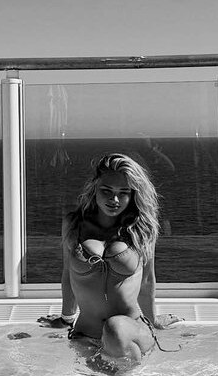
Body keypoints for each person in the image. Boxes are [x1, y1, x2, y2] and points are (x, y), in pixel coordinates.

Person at [39, 152, 179, 365]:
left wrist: (154, 321)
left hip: (129, 331)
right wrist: (66, 319)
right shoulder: (74, 224)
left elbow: (147, 281)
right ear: (94, 187)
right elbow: (68, 274)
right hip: (86, 335)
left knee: (114, 328)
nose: (114, 200)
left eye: (123, 193)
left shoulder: (142, 229)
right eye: (107, 191)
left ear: (133, 194)